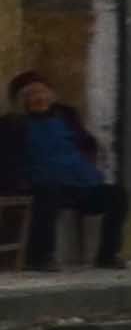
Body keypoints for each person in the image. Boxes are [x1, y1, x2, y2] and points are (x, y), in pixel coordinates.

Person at [13, 71, 124, 272]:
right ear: (22, 100)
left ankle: (107, 255)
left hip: (80, 183)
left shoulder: (66, 116)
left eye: (43, 92)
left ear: (51, 95)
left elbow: (87, 143)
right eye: (32, 94)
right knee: (48, 193)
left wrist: (87, 160)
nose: (40, 98)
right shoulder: (15, 124)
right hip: (45, 185)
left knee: (118, 195)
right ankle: (39, 257)